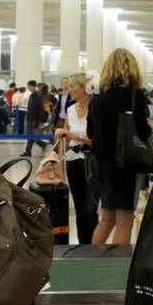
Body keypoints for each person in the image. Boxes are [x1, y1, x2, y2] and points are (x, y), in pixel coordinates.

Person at [87, 50, 152, 246]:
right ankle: (117, 268)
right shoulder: (134, 94)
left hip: (103, 163)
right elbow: (141, 130)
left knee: (107, 219)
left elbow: (91, 132)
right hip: (126, 163)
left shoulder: (97, 97)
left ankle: (92, 263)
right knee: (125, 221)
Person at [55, 73, 97, 246]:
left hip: (92, 161)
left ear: (84, 88)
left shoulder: (96, 109)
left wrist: (73, 135)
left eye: (72, 86)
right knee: (80, 208)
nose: (68, 89)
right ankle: (83, 245)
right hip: (74, 161)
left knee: (91, 207)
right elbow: (66, 139)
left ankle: (94, 245)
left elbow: (98, 139)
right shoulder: (70, 109)